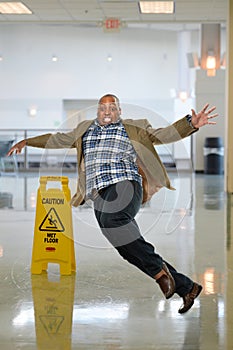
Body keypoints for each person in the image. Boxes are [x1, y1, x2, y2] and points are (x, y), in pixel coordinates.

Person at [7, 94, 218, 313]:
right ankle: (186, 287)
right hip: (99, 193)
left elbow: (163, 135)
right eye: (102, 108)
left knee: (112, 220)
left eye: (113, 108)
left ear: (119, 112)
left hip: (126, 183)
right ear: (97, 112)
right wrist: (27, 142)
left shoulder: (133, 127)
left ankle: (159, 274)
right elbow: (57, 138)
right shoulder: (84, 130)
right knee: (125, 247)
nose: (107, 112)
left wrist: (190, 124)